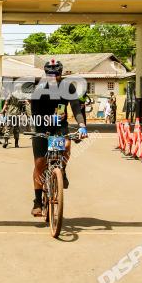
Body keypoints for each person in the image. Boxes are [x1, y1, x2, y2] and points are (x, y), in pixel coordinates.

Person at [29, 59, 88, 217]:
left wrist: (82, 125)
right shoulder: (39, 89)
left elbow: (75, 106)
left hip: (59, 127)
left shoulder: (67, 87)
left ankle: (62, 169)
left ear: (61, 74)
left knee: (67, 144)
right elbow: (35, 113)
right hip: (42, 125)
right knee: (40, 164)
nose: (53, 77)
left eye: (55, 74)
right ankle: (37, 201)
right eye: (49, 74)